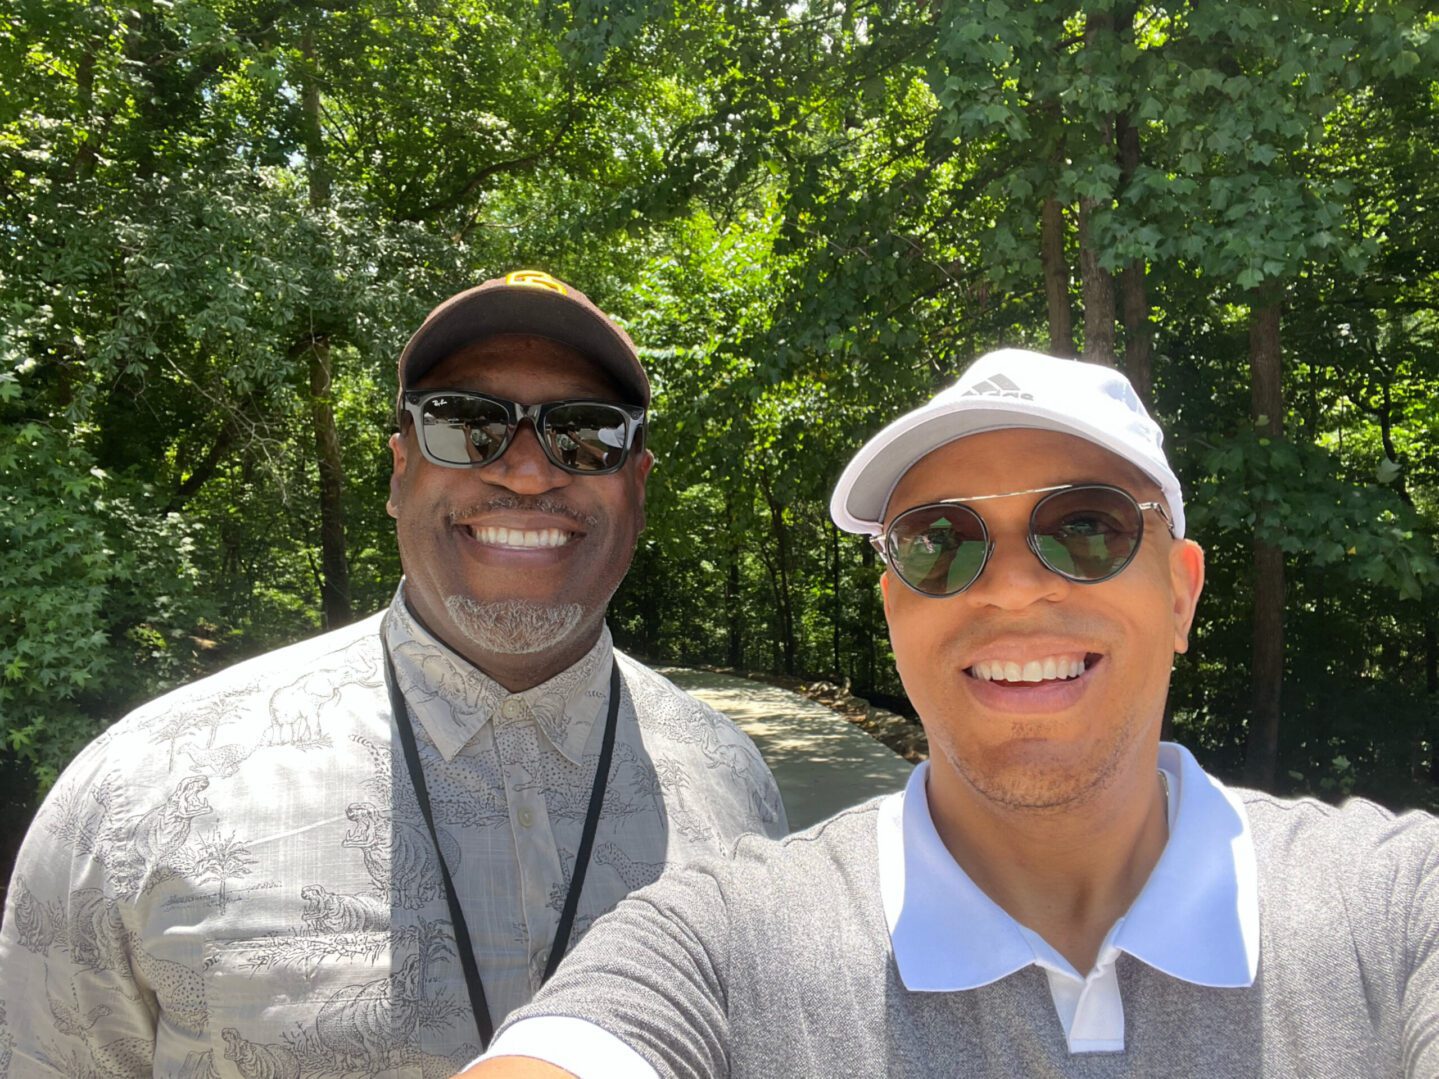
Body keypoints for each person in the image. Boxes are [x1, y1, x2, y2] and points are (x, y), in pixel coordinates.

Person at [458, 349, 1439, 1078]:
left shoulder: (1393, 910)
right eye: (939, 542)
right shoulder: (721, 940)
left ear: (1179, 593)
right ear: (895, 611)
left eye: (1084, 527)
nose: (1009, 590)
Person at [0, 269, 787, 1077]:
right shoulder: (142, 795)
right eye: (465, 423)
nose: (525, 472)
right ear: (398, 469)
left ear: (637, 485)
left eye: (584, 432)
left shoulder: (732, 778)